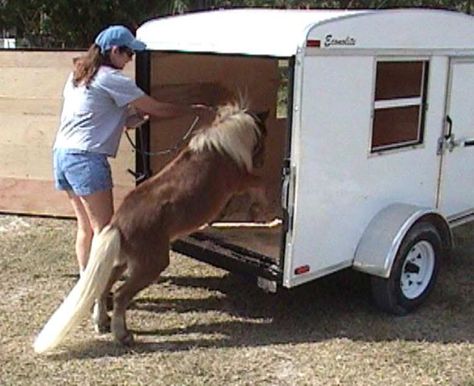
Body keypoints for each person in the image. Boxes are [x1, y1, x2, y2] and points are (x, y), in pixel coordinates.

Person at [53, 25, 209, 276]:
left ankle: (87, 284)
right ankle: (97, 292)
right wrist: (193, 111)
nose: (130, 60)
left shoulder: (78, 77)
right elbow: (157, 108)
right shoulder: (112, 78)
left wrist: (136, 118)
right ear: (115, 51)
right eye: (128, 54)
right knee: (105, 231)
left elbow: (114, 117)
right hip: (86, 160)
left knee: (86, 228)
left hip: (63, 155)